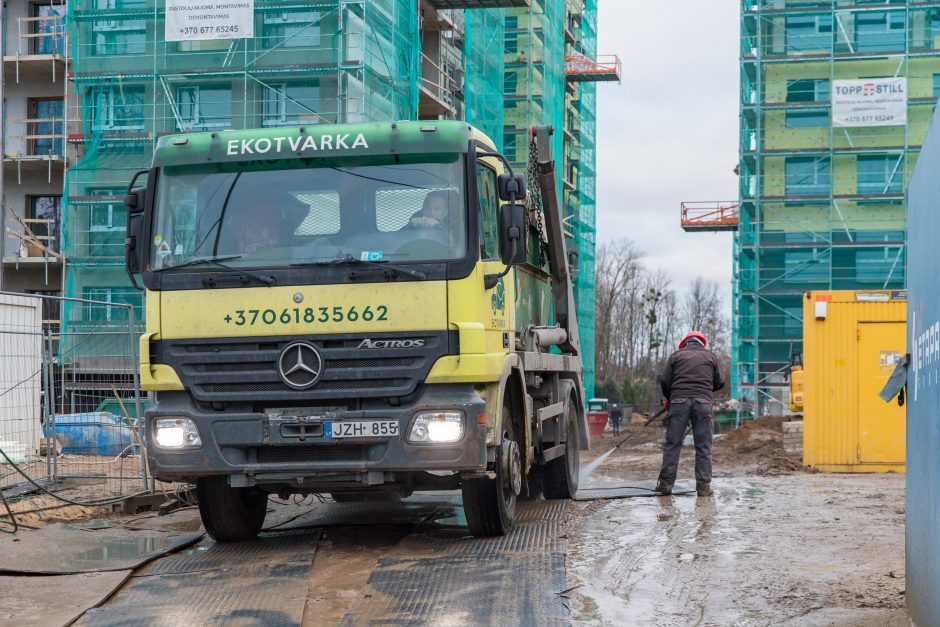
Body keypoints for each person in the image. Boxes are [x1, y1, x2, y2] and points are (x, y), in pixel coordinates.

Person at [655, 331, 726, 497]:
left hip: (679, 403)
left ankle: (665, 485)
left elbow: (665, 381)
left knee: (673, 444)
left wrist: (671, 398)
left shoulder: (675, 356)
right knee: (703, 447)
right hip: (703, 404)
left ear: (685, 343)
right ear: (702, 343)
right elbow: (720, 381)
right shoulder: (711, 357)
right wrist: (706, 390)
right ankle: (703, 488)